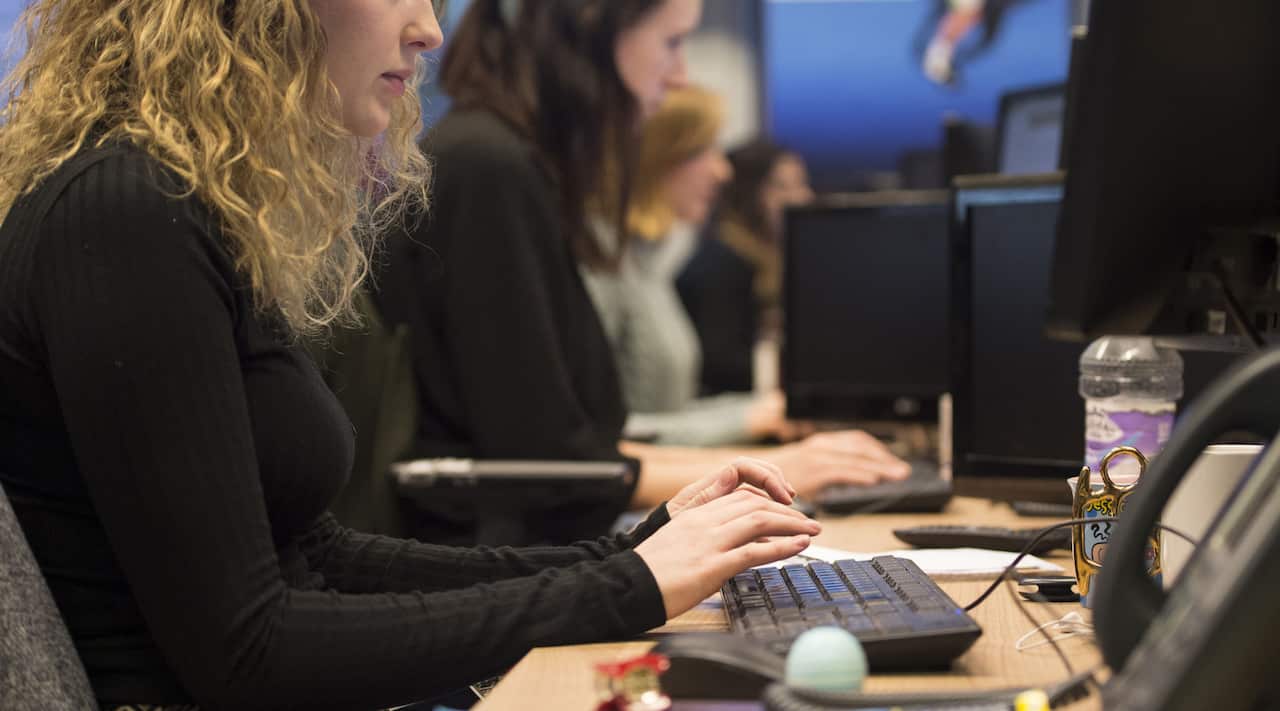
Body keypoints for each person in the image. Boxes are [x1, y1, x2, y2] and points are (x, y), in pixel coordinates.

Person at [0, 1, 821, 709]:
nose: (429, 29)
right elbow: (246, 650)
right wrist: (620, 589)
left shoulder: (187, 209)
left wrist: (627, 553)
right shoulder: (125, 217)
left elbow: (316, 553)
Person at [377, 0, 908, 546]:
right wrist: (773, 470)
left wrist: (758, 465)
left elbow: (581, 450)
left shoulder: (512, 164)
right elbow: (551, 465)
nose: (679, 77)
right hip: (501, 576)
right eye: (672, 43)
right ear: (587, 38)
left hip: (525, 566)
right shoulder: (489, 167)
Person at [584, 87, 814, 447]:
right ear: (656, 158)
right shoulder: (600, 265)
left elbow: (672, 414)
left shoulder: (641, 266)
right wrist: (747, 419)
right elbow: (603, 438)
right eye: (702, 151)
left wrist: (766, 410)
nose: (722, 171)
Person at [677, 138, 814, 396]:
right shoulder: (721, 262)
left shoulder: (772, 259)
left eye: (801, 184)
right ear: (747, 193)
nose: (802, 198)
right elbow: (719, 363)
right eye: (782, 187)